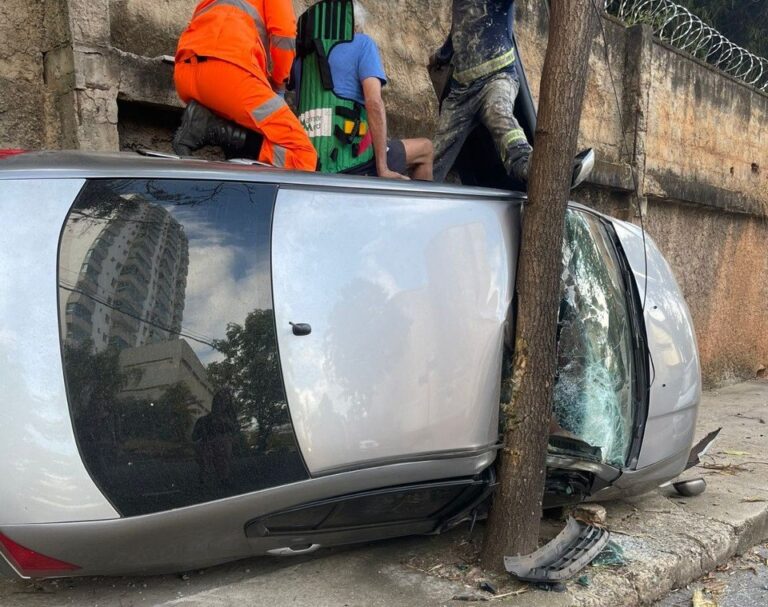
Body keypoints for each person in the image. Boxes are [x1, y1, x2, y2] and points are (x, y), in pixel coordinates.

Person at [294, 0, 433, 180]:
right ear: (355, 25)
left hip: (310, 162)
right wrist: (383, 168)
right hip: (352, 159)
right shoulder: (362, 44)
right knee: (425, 149)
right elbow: (374, 103)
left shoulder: (300, 61)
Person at [172, 0, 318, 171]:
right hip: (228, 74)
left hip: (185, 74)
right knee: (304, 156)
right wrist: (279, 84)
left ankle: (216, 129)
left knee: (248, 133)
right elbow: (284, 35)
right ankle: (215, 129)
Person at [430, 0, 532, 184]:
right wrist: (442, 55)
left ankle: (525, 164)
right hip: (461, 92)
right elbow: (459, 32)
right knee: (437, 151)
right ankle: (420, 189)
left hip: (497, 77)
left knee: (498, 113)